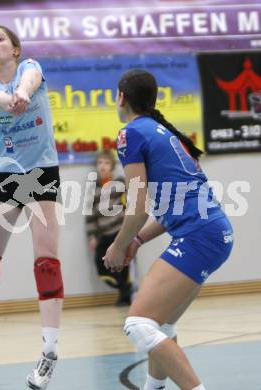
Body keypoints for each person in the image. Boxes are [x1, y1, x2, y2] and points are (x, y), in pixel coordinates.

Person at [103, 69, 233, 390]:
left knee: (138, 323)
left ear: (121, 97)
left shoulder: (131, 133)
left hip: (198, 235)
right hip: (215, 231)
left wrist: (118, 245)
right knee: (161, 324)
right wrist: (136, 238)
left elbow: (138, 205)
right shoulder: (166, 132)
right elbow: (171, 207)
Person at [0, 25, 63, 390]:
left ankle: (49, 352)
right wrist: (10, 101)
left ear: (16, 50)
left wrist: (21, 92)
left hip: (40, 173)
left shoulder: (29, 68)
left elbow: (30, 81)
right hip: (6, 173)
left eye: (0, 39)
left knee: (46, 262)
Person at [85, 149, 133, 306]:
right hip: (104, 235)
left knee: (122, 265)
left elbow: (132, 201)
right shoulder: (93, 190)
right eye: (100, 163)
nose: (103, 166)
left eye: (106, 163)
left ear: (112, 166)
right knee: (101, 265)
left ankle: (124, 294)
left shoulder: (120, 182)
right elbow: (90, 216)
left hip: (120, 232)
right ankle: (125, 288)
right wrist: (92, 236)